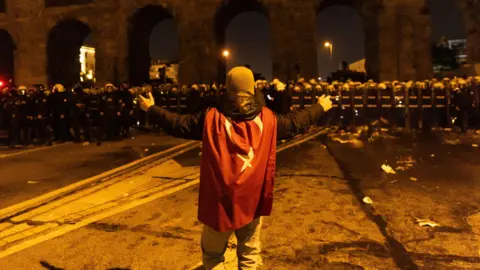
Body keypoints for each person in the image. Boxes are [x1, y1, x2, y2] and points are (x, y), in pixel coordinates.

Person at [139, 67, 332, 270]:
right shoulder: (267, 119)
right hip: (252, 198)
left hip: (219, 202)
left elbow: (178, 124)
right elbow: (295, 123)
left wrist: (152, 109)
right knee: (249, 253)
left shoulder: (211, 117)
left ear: (228, 88)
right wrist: (320, 107)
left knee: (213, 256)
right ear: (252, 88)